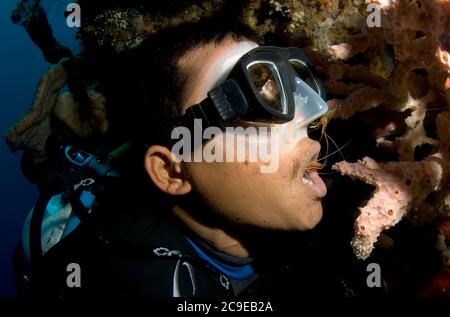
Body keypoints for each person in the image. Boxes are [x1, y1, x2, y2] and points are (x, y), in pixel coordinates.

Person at [14, 15, 364, 298]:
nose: (313, 112)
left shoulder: (343, 210)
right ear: (172, 172)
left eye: (290, 83)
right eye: (253, 103)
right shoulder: (120, 282)